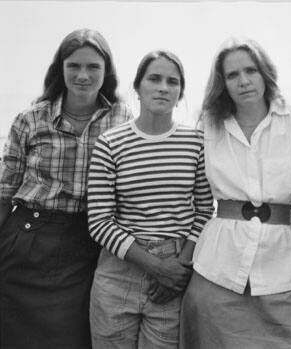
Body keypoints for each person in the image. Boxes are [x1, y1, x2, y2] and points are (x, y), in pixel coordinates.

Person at [180, 37, 291, 349]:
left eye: (251, 71)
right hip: (219, 265)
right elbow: (191, 193)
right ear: (222, 83)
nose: (243, 81)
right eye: (232, 75)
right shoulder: (208, 126)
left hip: (284, 266)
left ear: (265, 73)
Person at [0, 28, 133, 348]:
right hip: (28, 240)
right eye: (74, 66)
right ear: (60, 68)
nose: (83, 75)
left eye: (93, 67)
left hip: (87, 242)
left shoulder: (122, 119)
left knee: (75, 337)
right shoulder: (30, 119)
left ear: (107, 72)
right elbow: (5, 192)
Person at [87, 50, 214, 349]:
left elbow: (205, 210)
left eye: (172, 82)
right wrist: (157, 267)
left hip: (175, 271)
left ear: (180, 93)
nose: (163, 87)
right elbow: (99, 221)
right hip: (119, 273)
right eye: (154, 79)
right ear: (138, 87)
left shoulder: (196, 142)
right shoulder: (110, 143)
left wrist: (179, 269)